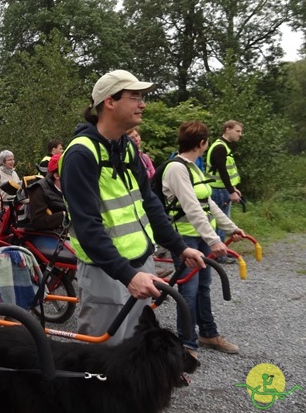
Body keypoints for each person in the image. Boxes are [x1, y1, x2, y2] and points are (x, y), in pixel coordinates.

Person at [60, 70, 205, 345]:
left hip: (140, 264)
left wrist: (179, 246)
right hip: (107, 272)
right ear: (109, 102)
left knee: (134, 349)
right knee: (102, 357)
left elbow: (148, 202)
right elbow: (87, 225)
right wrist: (127, 276)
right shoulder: (81, 154)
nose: (143, 104)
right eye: (135, 96)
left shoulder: (125, 146)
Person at [162, 121, 244, 357]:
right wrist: (214, 239)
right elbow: (191, 208)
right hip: (185, 239)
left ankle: (207, 333)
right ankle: (186, 344)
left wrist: (230, 228)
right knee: (188, 290)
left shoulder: (193, 167)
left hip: (200, 238)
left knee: (204, 288)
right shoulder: (176, 168)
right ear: (202, 143)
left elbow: (208, 203)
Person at [206, 120, 243, 261]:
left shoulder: (223, 146)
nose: (240, 134)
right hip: (219, 190)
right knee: (220, 222)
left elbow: (225, 171)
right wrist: (231, 191)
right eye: (237, 131)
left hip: (222, 189)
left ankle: (220, 252)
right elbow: (222, 171)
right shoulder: (220, 147)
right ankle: (219, 255)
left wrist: (233, 188)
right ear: (228, 129)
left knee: (221, 221)